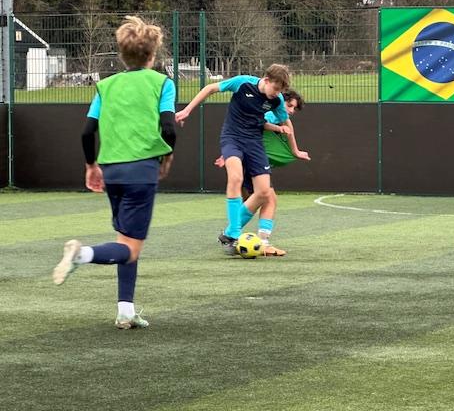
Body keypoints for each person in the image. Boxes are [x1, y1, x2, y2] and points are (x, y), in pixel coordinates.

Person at [52, 16, 177, 329]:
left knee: (126, 242)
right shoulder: (162, 83)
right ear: (153, 55)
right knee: (130, 247)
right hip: (142, 170)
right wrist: (167, 155)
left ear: (122, 55)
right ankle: (81, 254)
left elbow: (86, 132)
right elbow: (168, 127)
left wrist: (91, 165)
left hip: (112, 170)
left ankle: (125, 311)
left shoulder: (106, 86)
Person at [175, 65, 290, 254]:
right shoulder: (242, 83)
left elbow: (285, 120)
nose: (277, 94)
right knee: (235, 178)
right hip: (232, 138)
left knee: (263, 192)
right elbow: (209, 88)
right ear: (266, 80)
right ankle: (235, 235)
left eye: (280, 91)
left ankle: (229, 232)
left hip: (254, 142)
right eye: (276, 89)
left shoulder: (276, 101)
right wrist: (187, 110)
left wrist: (292, 144)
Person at [214, 89, 310, 256]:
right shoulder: (272, 114)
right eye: (289, 106)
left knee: (265, 198)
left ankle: (230, 234)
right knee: (268, 198)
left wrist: (295, 150)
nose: (291, 111)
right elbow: (255, 127)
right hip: (251, 163)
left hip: (251, 161)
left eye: (294, 108)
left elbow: (285, 129)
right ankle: (258, 241)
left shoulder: (272, 113)